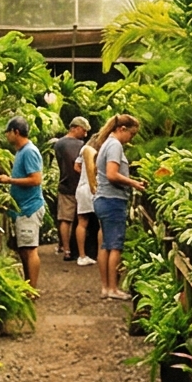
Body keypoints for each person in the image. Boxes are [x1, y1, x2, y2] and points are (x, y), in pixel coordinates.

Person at [93, 112, 143, 300]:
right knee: (115, 245)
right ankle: (113, 288)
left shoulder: (106, 144)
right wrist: (134, 183)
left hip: (103, 199)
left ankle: (106, 287)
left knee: (106, 245)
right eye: (131, 134)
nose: (130, 139)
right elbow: (112, 174)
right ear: (121, 129)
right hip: (112, 200)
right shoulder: (114, 146)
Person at [0, 115, 45, 287]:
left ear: (16, 132)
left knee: (30, 250)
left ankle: (32, 289)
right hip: (22, 209)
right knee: (24, 249)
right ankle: (27, 285)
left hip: (30, 208)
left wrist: (8, 180)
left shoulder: (29, 151)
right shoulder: (21, 152)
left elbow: (36, 180)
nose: (6, 136)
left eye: (8, 132)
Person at [52, 114, 90, 263]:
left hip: (65, 184)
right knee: (81, 220)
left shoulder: (58, 144)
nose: (85, 135)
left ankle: (66, 249)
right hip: (81, 185)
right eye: (84, 131)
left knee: (64, 218)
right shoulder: (81, 146)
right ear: (76, 128)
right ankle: (80, 251)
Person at [73, 128, 99, 267]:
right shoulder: (100, 151)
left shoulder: (84, 149)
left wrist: (84, 174)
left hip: (82, 188)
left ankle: (82, 255)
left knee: (82, 222)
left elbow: (76, 166)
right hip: (96, 187)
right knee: (102, 222)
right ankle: (102, 256)